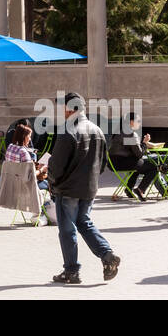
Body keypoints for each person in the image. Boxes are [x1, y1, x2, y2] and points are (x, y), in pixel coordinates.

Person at [47, 92, 120, 285]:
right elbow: (103, 163)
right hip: (89, 188)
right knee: (84, 222)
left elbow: (55, 165)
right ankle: (107, 254)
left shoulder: (68, 131)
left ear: (69, 108)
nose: (60, 112)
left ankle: (71, 271)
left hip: (68, 189)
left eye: (61, 107)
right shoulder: (97, 130)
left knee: (67, 229)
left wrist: (52, 182)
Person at [107, 111, 160, 200]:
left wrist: (142, 144)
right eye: (138, 121)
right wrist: (144, 143)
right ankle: (140, 189)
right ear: (131, 122)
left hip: (113, 164)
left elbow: (129, 148)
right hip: (123, 163)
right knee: (154, 167)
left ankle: (128, 189)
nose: (140, 123)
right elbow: (139, 154)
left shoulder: (118, 133)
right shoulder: (131, 134)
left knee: (139, 165)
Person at [5, 122, 48, 189]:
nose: (30, 139)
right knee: (49, 184)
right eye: (29, 136)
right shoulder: (23, 152)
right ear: (23, 137)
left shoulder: (10, 147)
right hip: (25, 185)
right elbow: (31, 176)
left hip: (12, 182)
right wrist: (42, 169)